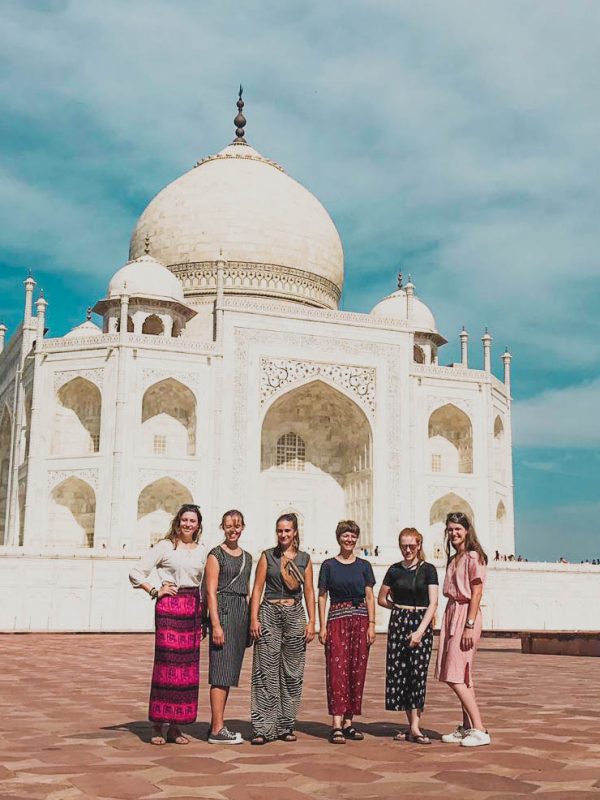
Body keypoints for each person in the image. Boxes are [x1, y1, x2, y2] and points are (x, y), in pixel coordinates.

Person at [129, 504, 207, 746]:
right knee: (166, 665)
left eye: (192, 521)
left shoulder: (202, 551)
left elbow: (205, 584)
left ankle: (175, 726)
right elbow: (136, 572)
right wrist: (155, 590)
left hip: (193, 607)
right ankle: (157, 724)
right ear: (178, 521)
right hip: (170, 608)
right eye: (184, 519)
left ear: (198, 525)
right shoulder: (166, 546)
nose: (187, 524)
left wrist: (205, 616)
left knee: (186, 670)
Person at [249, 513, 316, 744]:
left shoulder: (304, 559)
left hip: (295, 614)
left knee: (292, 672)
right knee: (265, 671)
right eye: (280, 530)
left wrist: (312, 621)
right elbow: (257, 588)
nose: (283, 534)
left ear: (295, 531)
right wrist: (254, 619)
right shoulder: (268, 556)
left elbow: (309, 591)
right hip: (269, 612)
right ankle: (263, 727)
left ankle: (286, 725)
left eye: (287, 530)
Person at [377, 527, 438, 744]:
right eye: (404, 546)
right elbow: (381, 598)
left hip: (421, 623)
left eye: (412, 545)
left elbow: (433, 603)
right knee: (401, 674)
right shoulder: (394, 570)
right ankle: (411, 726)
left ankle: (415, 726)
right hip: (400, 622)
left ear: (419, 545)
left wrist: (420, 631)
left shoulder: (428, 569)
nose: (408, 549)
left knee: (418, 675)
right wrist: (398, 609)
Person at [318, 520, 376, 744]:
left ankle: (349, 723)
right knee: (336, 670)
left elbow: (370, 595)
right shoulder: (328, 565)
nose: (349, 540)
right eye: (345, 536)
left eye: (352, 536)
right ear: (338, 537)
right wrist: (321, 626)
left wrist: (372, 624)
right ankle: (336, 723)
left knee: (356, 670)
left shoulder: (364, 565)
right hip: (337, 620)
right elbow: (322, 596)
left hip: (360, 619)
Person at [435, 511, 490, 747]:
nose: (454, 533)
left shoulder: (473, 557)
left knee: (454, 674)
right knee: (464, 675)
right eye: (450, 529)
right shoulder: (455, 558)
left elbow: (477, 592)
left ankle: (479, 729)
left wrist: (469, 625)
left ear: (467, 530)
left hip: (467, 614)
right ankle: (468, 727)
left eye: (458, 529)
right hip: (453, 613)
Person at [204, 509, 252, 745]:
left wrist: (251, 619)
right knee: (220, 672)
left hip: (240, 614)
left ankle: (218, 724)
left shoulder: (248, 557)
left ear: (243, 527)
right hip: (223, 612)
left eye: (237, 525)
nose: (233, 530)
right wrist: (215, 624)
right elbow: (210, 591)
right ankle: (217, 729)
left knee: (229, 672)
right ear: (222, 528)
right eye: (228, 526)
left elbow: (248, 590)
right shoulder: (216, 555)